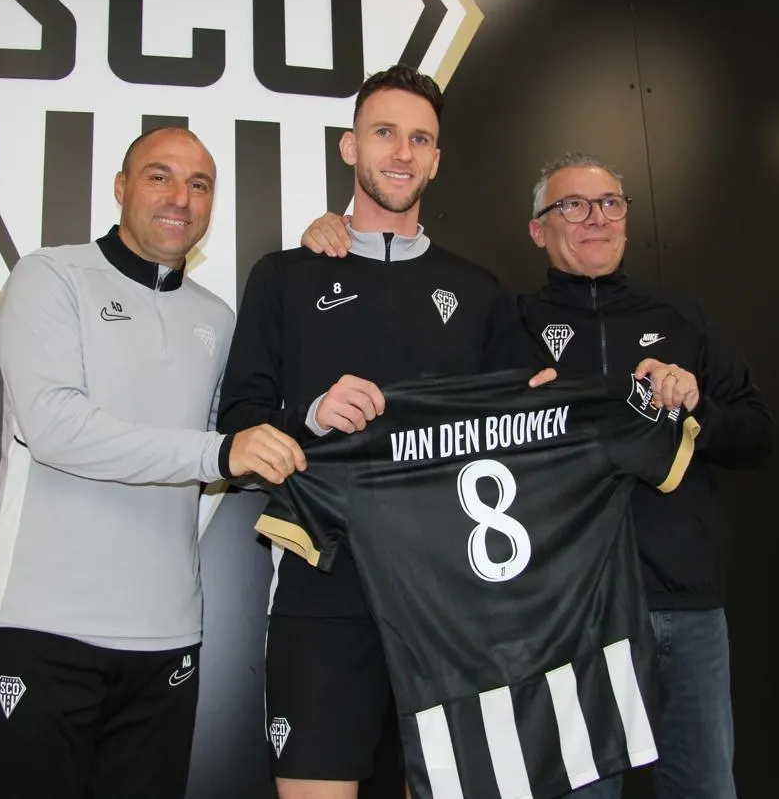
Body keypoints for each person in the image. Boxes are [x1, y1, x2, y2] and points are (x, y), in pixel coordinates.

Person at [301, 152, 773, 799]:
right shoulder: (508, 324)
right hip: (569, 619)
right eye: (572, 205)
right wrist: (336, 238)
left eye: (610, 203)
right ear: (537, 228)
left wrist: (696, 407)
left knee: (704, 786)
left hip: (683, 606)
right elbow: (433, 422)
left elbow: (757, 435)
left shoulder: (680, 317)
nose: (595, 218)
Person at [216, 64, 550, 799]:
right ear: (350, 146)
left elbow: (531, 430)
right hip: (323, 590)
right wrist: (310, 416)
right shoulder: (285, 276)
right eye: (385, 133)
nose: (402, 152)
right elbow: (236, 425)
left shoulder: (479, 293)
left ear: (437, 159)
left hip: (451, 600)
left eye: (420, 139)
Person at [0, 126, 306, 799]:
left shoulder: (216, 317)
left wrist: (311, 423)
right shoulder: (49, 275)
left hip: (167, 634)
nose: (180, 197)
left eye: (199, 184)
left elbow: (228, 451)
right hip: (45, 624)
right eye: (160, 176)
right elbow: (55, 427)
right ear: (121, 187)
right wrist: (220, 451)